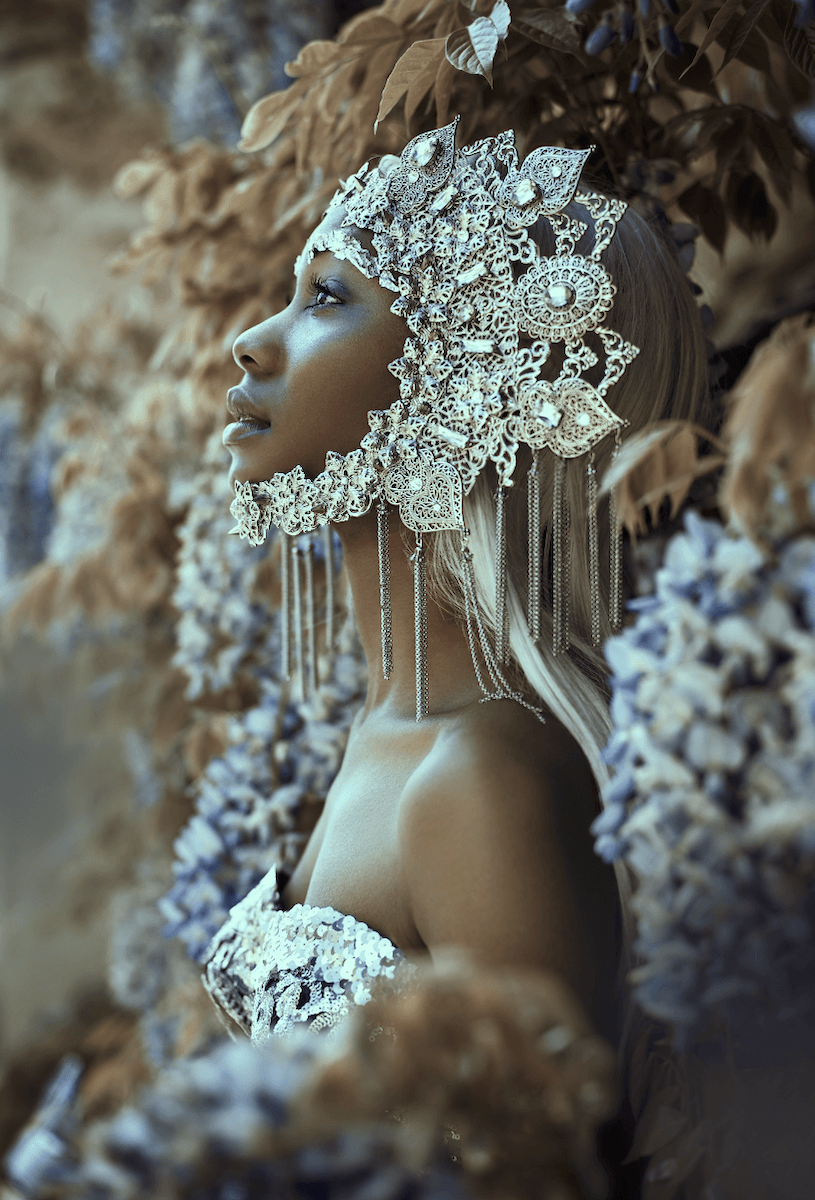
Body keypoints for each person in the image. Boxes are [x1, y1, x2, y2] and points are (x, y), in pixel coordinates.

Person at [209, 120, 708, 1064]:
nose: (250, 343)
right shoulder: (387, 729)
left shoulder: (481, 778)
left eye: (324, 298)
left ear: (463, 375)